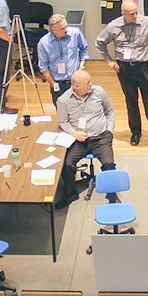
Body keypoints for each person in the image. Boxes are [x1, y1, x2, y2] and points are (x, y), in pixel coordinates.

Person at [95, 0, 148, 150]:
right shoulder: (113, 26)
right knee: (131, 102)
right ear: (123, 13)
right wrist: (109, 60)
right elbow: (99, 42)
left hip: (145, 67)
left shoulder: (147, 23)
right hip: (125, 69)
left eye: (136, 12)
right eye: (131, 14)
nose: (135, 16)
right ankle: (135, 133)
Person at [54, 70, 116, 209]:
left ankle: (112, 193)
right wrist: (73, 133)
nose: (91, 85)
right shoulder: (63, 100)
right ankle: (70, 193)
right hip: (79, 140)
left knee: (109, 163)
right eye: (87, 83)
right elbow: (63, 122)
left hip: (101, 137)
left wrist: (109, 131)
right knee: (67, 163)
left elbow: (110, 112)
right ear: (77, 87)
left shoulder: (99, 92)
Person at [37, 13, 90, 106]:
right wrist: (52, 83)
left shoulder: (75, 33)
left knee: (79, 108)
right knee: (61, 111)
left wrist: (81, 66)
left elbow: (84, 49)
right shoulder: (43, 43)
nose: (66, 30)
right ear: (53, 30)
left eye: (66, 26)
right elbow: (43, 66)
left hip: (75, 80)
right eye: (62, 28)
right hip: (57, 82)